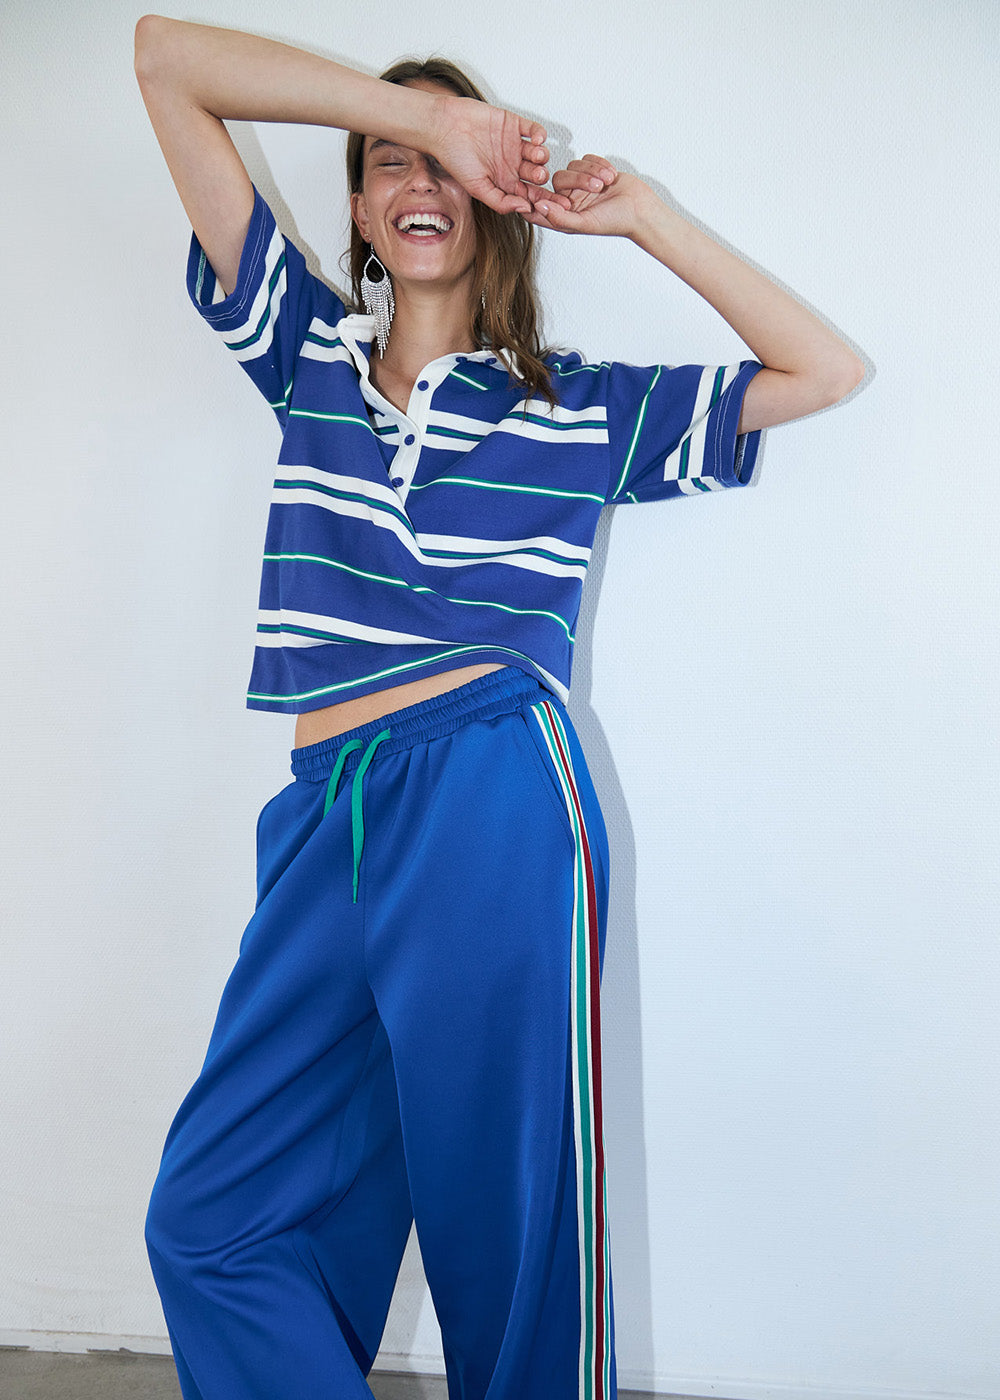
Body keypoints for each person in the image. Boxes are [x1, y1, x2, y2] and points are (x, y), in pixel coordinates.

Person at [134, 15, 864, 1400]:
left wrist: (649, 219)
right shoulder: (304, 360)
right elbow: (162, 59)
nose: (419, 183)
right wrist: (432, 122)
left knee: (507, 1232)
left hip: (492, 793)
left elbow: (824, 372)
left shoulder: (575, 408)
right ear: (358, 203)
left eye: (450, 164)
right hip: (322, 821)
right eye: (387, 162)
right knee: (212, 1221)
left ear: (495, 205)